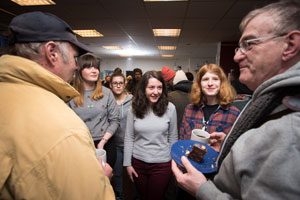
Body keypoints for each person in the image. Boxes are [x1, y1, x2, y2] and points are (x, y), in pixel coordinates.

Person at [172, 1, 300, 199]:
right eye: (205, 79)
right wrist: (229, 144)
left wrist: (203, 190)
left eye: (248, 44)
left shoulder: (289, 125)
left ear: (290, 45)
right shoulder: (273, 105)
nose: (238, 57)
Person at [0, 11, 114, 199]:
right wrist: (101, 180)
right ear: (52, 53)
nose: (76, 66)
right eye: (74, 57)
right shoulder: (64, 129)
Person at [123, 70, 178, 200]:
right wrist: (127, 164)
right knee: (142, 196)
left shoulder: (170, 108)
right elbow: (129, 137)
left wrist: (174, 165)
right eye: (151, 87)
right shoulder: (133, 108)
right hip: (138, 163)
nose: (156, 91)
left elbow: (173, 138)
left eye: (159, 87)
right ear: (143, 89)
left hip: (162, 164)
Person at [69, 53, 119, 167]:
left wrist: (103, 142)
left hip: (105, 143)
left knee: (106, 180)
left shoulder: (107, 93)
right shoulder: (70, 93)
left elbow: (115, 120)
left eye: (96, 67)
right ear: (79, 70)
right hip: (80, 144)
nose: (94, 71)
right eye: (88, 67)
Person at [179, 64, 240, 151]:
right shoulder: (189, 109)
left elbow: (237, 148)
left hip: (218, 163)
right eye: (205, 79)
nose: (210, 83)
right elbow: (182, 139)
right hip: (189, 161)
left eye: (215, 79)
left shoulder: (234, 113)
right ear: (199, 84)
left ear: (221, 83)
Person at [110, 72, 133, 200]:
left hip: (131, 143)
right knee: (117, 173)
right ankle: (119, 195)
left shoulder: (133, 100)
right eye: (115, 83)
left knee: (133, 173)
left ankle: (135, 195)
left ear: (125, 84)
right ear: (111, 85)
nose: (118, 86)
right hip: (115, 143)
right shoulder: (108, 100)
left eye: (120, 83)